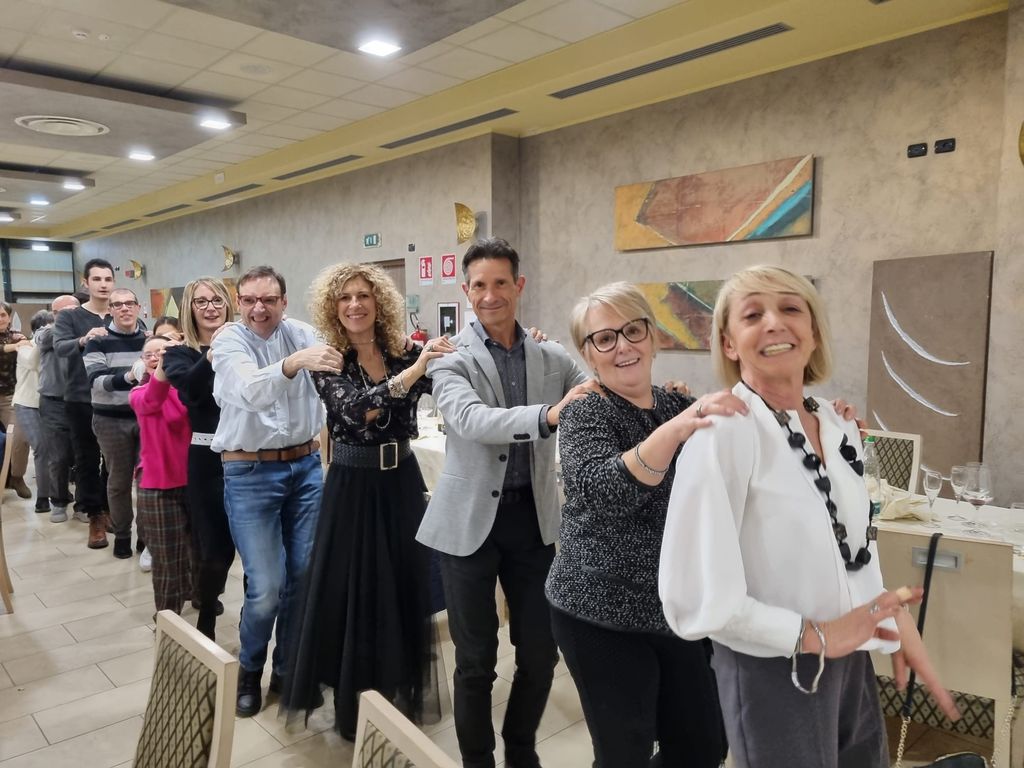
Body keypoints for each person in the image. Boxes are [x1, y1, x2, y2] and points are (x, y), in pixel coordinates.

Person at [659, 265, 959, 768]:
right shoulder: (723, 432)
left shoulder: (836, 422)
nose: (775, 322)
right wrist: (814, 635)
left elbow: (851, 544)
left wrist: (889, 616)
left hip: (852, 659)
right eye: (752, 315)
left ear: (814, 333)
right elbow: (692, 593)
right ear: (729, 344)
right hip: (774, 670)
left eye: (791, 308)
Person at [545, 282, 746, 767]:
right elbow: (606, 492)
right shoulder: (585, 412)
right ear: (588, 355)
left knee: (703, 744)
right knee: (624, 752)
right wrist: (674, 431)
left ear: (653, 337)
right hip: (598, 610)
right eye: (604, 338)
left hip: (673, 606)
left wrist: (820, 421)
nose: (622, 346)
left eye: (632, 330)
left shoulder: (675, 404)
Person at [416, 237, 592, 768]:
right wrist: (549, 416)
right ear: (466, 291)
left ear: (519, 285)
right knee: (475, 660)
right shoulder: (448, 357)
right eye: (479, 285)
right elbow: (470, 420)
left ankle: (520, 748)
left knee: (540, 652)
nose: (490, 295)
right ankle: (477, 760)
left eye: (500, 283)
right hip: (468, 525)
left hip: (533, 521)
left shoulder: (551, 355)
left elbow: (596, 392)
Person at [283, 263, 454, 738]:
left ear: (379, 302)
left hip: (401, 482)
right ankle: (352, 703)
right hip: (353, 488)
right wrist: (416, 372)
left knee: (401, 586)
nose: (355, 305)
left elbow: (454, 371)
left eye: (363, 295)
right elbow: (358, 410)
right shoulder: (329, 360)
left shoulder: (403, 352)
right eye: (345, 298)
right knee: (353, 591)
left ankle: (395, 690)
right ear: (333, 308)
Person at [212, 265, 341, 717]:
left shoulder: (302, 332)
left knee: (304, 578)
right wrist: (295, 362)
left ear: (284, 302)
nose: (259, 309)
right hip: (249, 472)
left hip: (304, 469)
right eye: (249, 300)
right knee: (267, 586)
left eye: (268, 300)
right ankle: (250, 670)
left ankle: (289, 671)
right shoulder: (229, 341)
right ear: (239, 302)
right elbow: (251, 391)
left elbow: (346, 353)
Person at [163, 278, 236, 640]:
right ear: (190, 309)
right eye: (201, 302)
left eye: (217, 300)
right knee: (215, 550)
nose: (210, 308)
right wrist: (212, 353)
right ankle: (206, 616)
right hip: (207, 460)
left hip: (252, 457)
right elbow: (191, 391)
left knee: (256, 553)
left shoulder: (245, 346)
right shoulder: (179, 353)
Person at [54, 258, 115, 547]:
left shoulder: (120, 312)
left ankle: (110, 508)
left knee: (115, 460)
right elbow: (59, 348)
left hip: (116, 398)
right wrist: (83, 339)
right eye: (97, 279)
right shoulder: (71, 317)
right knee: (87, 458)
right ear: (86, 282)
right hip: (81, 398)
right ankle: (94, 515)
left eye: (108, 279)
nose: (103, 284)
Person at [83, 287, 147, 558]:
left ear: (138, 307)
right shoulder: (97, 341)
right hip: (110, 420)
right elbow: (97, 380)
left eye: (130, 303)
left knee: (147, 483)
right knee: (119, 481)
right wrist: (132, 375)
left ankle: (145, 537)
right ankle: (122, 535)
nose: (125, 308)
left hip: (146, 420)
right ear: (110, 310)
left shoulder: (149, 338)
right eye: (118, 304)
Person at [130, 335, 192, 614]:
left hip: (195, 480)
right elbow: (152, 400)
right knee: (167, 559)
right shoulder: (138, 393)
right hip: (157, 485)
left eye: (162, 352)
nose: (156, 358)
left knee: (197, 551)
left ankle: (198, 596)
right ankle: (167, 618)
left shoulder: (188, 390)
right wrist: (166, 366)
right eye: (150, 354)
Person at [36, 295, 79, 522]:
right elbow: (43, 337)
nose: (65, 317)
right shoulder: (46, 333)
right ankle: (59, 501)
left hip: (81, 400)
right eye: (60, 313)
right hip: (54, 402)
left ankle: (84, 503)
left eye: (72, 312)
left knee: (84, 456)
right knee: (59, 456)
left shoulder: (85, 330)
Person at [14, 310, 54, 516]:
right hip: (27, 404)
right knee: (41, 447)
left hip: (50, 404)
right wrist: (41, 341)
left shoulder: (57, 348)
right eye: (47, 328)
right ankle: (43, 498)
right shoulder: (25, 346)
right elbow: (32, 363)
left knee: (58, 450)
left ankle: (58, 491)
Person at [0, 301, 31, 499]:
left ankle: (16, 477)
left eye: (2, 315)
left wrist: (24, 343)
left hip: (10, 397)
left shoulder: (18, 336)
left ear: (9, 317)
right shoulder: (14, 342)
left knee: (20, 437)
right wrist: (13, 346)